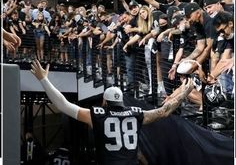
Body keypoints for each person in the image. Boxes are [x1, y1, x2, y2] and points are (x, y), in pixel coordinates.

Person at [31, 59, 194, 165]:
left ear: (104, 101)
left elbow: (63, 105)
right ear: (121, 101)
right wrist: (183, 94)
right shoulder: (136, 113)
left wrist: (43, 80)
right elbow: (163, 111)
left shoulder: (97, 115)